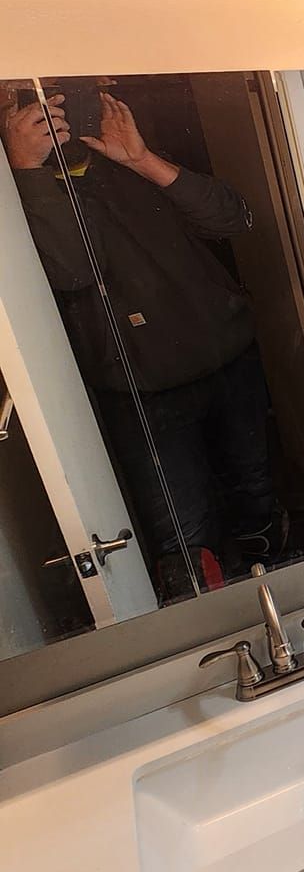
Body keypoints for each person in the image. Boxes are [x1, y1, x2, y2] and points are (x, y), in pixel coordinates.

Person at [2, 84, 287, 599]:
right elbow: (72, 270)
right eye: (15, 100)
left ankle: (276, 583)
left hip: (227, 357)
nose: (43, 111)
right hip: (140, 387)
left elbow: (233, 218)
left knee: (256, 496)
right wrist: (25, 168)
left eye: (48, 95)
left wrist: (142, 159)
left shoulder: (127, 154)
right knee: (183, 537)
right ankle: (212, 621)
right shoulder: (16, 189)